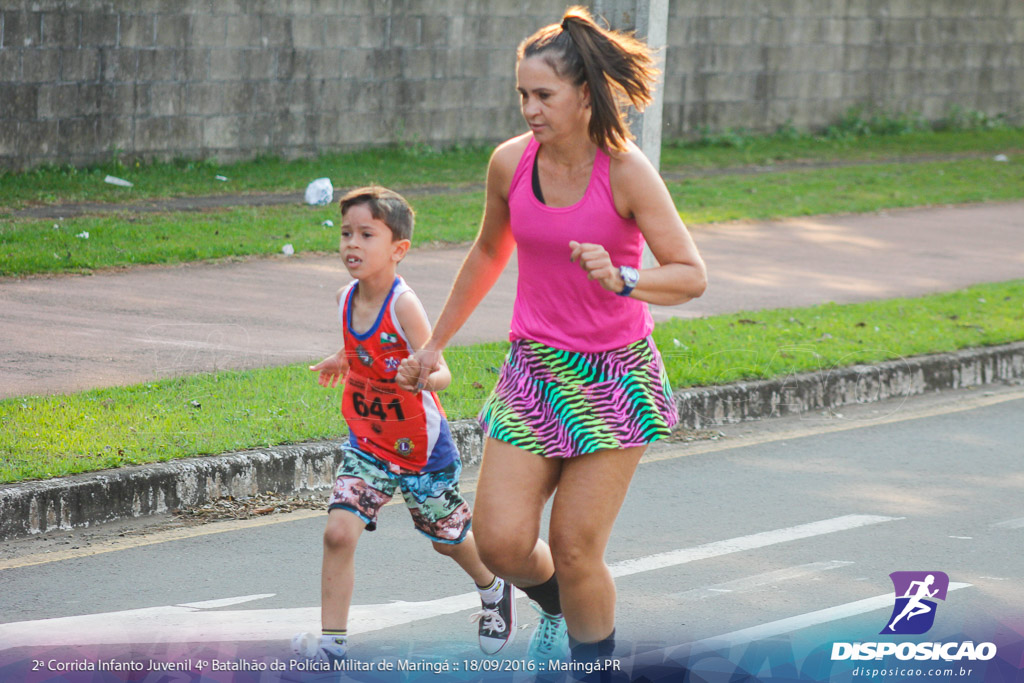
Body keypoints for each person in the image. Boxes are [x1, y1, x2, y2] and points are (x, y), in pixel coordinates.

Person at [400, 5, 707, 666]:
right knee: (500, 541)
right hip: (534, 372)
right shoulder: (511, 164)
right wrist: (435, 344)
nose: (529, 108)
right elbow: (487, 253)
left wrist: (625, 279)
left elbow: (690, 274)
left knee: (574, 546)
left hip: (614, 378)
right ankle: (556, 607)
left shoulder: (625, 171)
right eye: (522, 95)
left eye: (543, 95)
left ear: (584, 95)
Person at [292, 186, 516, 664]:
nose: (352, 244)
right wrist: (341, 359)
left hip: (421, 449)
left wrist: (420, 372)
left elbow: (444, 372)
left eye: (366, 234)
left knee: (447, 541)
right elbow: (360, 349)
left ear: (398, 250)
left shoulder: (403, 305)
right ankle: (332, 650)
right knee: (337, 533)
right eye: (346, 233)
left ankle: (494, 587)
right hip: (369, 441)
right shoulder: (345, 298)